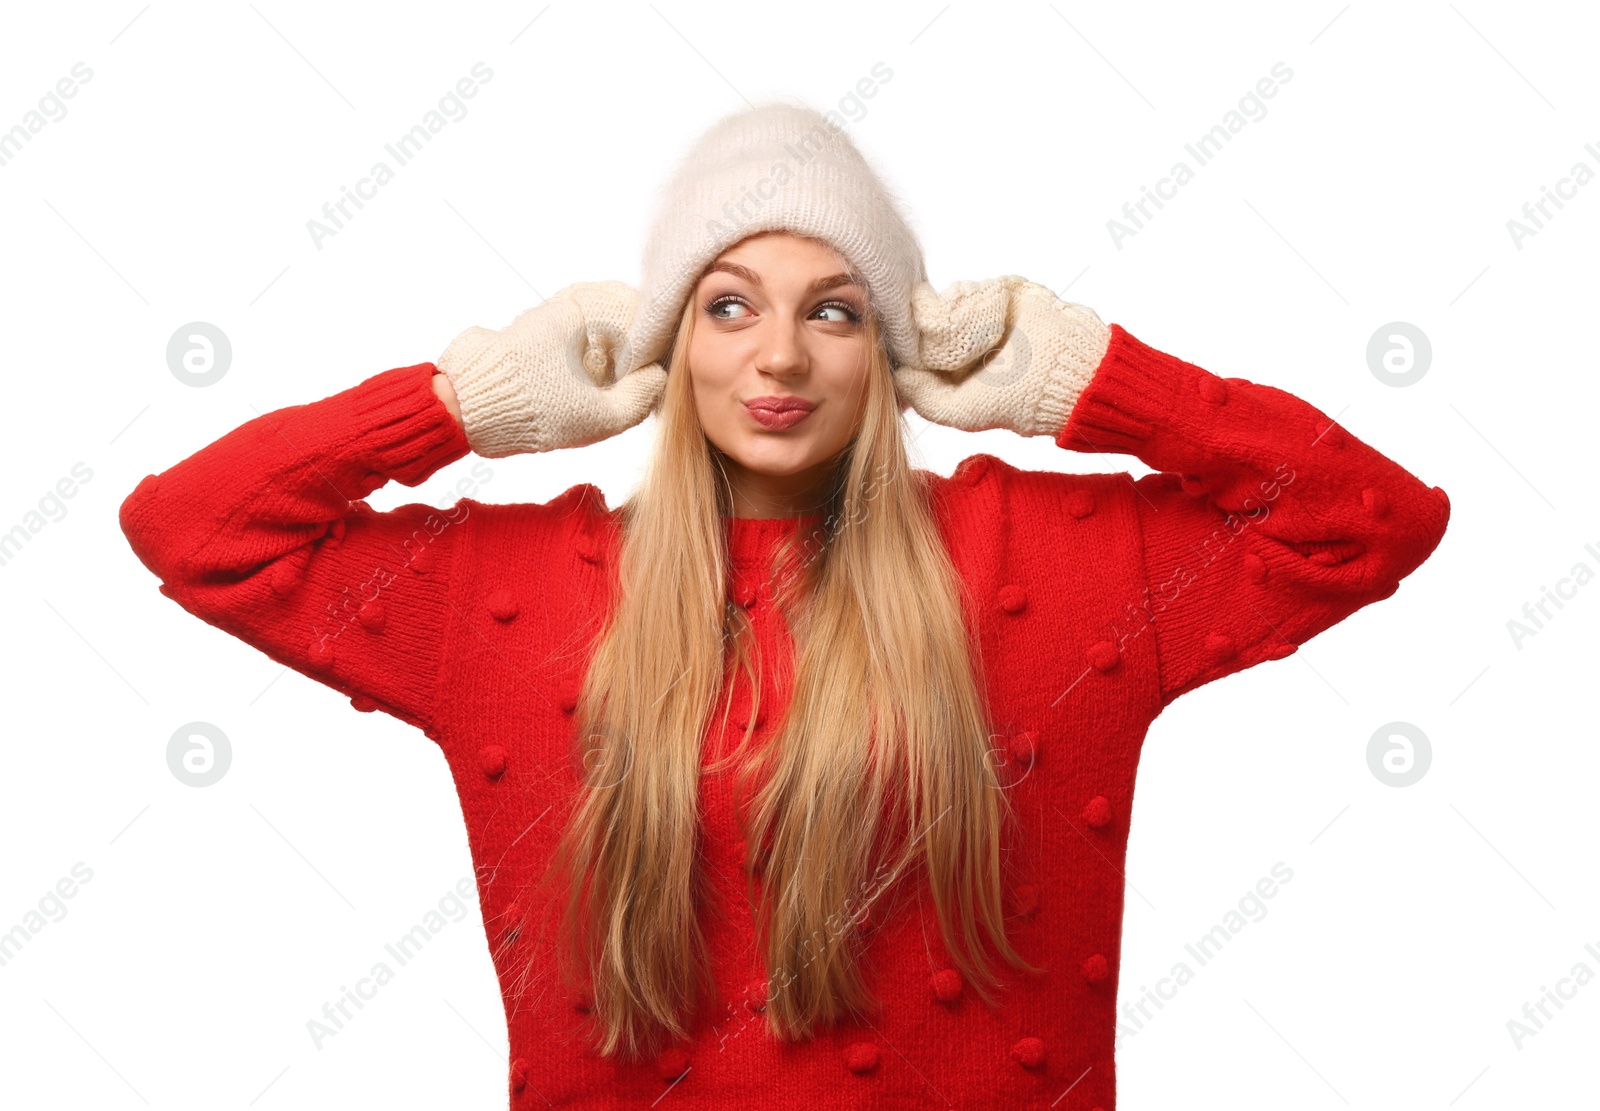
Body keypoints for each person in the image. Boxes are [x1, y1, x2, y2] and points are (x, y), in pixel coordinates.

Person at [118, 99, 1451, 1110]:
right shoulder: (514, 591)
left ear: (897, 350)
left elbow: (1372, 525)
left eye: (837, 313)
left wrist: (1094, 381)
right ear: (667, 343)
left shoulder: (1043, 563)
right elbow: (192, 534)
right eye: (728, 305)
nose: (777, 355)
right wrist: (466, 402)